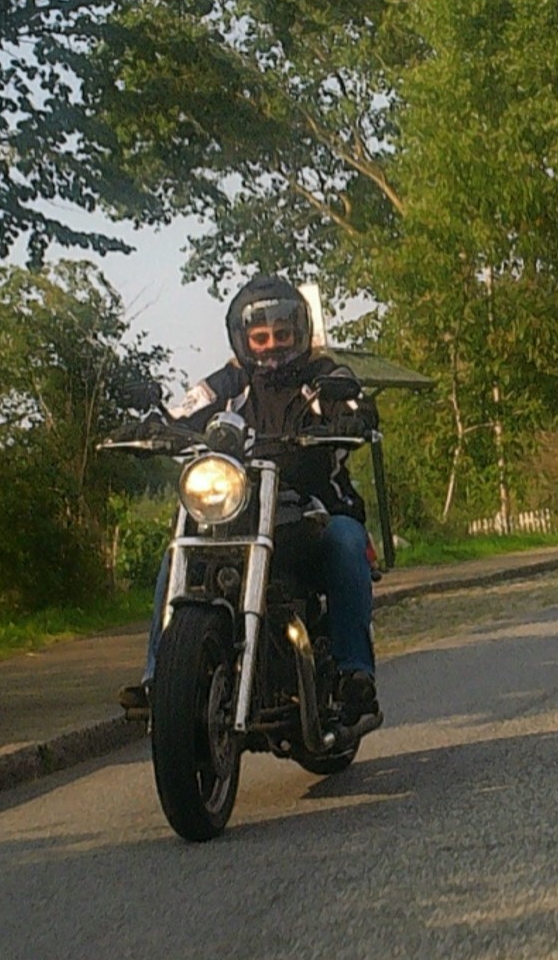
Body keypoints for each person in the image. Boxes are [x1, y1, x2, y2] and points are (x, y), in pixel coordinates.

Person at [118, 275, 380, 726]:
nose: (272, 345)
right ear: (243, 340)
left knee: (346, 540)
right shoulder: (229, 381)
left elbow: (354, 403)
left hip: (315, 509)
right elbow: (184, 411)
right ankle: (159, 677)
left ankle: (354, 673)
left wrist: (354, 418)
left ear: (300, 333)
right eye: (261, 337)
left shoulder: (323, 377)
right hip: (240, 512)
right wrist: (151, 425)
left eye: (282, 334)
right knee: (180, 549)